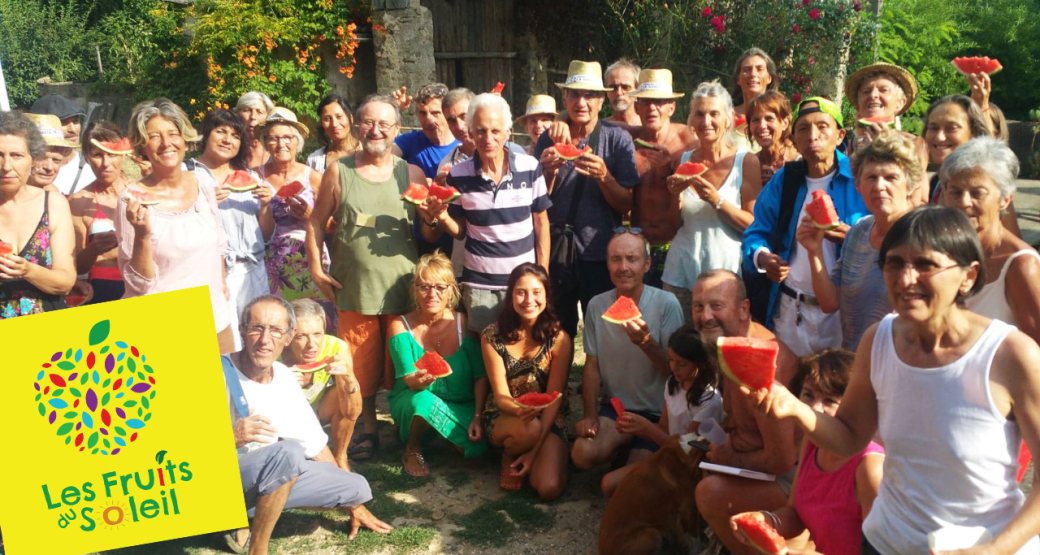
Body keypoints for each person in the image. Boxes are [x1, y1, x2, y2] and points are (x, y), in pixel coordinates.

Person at [747, 206, 1040, 555]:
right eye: (895, 263)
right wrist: (795, 409)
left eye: (925, 265)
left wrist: (995, 549)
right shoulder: (879, 339)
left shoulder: (1011, 355)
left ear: (968, 275)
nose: (905, 279)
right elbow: (850, 438)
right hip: (885, 542)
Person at [307, 94, 436, 462]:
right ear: (357, 125)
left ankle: (401, 422)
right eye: (368, 122)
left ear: (397, 130)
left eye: (385, 124)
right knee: (360, 364)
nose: (376, 130)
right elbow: (316, 223)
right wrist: (317, 268)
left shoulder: (410, 174)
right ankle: (367, 427)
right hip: (355, 288)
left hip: (403, 288)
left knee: (401, 362)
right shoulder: (339, 171)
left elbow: (426, 234)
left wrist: (432, 217)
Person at [223, 295, 391, 555]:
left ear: (287, 338)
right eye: (257, 328)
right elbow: (177, 446)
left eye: (276, 330)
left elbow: (314, 445)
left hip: (269, 476)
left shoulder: (284, 379)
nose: (265, 340)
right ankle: (258, 549)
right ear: (242, 330)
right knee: (287, 454)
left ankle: (245, 515)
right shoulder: (217, 373)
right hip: (223, 477)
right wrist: (230, 437)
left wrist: (355, 505)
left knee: (355, 487)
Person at [742, 97, 869, 356]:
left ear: (840, 134)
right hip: (790, 308)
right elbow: (756, 232)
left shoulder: (861, 178)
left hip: (844, 315)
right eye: (803, 129)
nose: (813, 135)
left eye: (822, 126)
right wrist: (763, 258)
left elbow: (883, 239)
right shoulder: (785, 179)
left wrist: (853, 237)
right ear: (794, 139)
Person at [729, 349, 884, 555]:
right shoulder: (812, 444)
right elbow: (795, 515)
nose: (814, 409)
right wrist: (765, 520)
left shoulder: (870, 469)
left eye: (829, 401)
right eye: (808, 395)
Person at [689, 269, 799, 555]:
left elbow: (783, 460)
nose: (705, 316)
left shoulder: (765, 366)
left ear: (743, 308)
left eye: (716, 305)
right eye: (698, 307)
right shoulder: (731, 348)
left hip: (792, 481)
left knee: (708, 494)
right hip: (756, 463)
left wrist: (731, 457)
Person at [116, 98, 234, 353]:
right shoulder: (130, 199)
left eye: (173, 134)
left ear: (185, 139)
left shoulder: (203, 183)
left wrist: (221, 280)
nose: (166, 143)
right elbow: (137, 284)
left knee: (226, 391)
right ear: (142, 146)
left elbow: (219, 243)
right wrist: (142, 236)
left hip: (216, 319)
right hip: (164, 328)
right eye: (155, 136)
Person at [425, 93, 551, 333]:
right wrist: (442, 217)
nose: (488, 138)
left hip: (523, 283)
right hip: (479, 285)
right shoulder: (458, 175)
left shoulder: (530, 167)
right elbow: (460, 231)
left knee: (525, 348)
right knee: (483, 352)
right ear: (471, 132)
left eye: (495, 131)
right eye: (481, 131)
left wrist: (541, 275)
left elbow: (541, 224)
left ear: (507, 132)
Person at [533, 60, 640, 337]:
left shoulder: (617, 139)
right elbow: (536, 202)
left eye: (590, 95)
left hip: (600, 252)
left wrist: (604, 176)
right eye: (575, 94)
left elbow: (626, 204)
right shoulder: (547, 140)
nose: (582, 102)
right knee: (558, 329)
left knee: (605, 330)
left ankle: (601, 381)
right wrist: (547, 172)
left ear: (602, 99)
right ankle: (560, 381)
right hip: (557, 251)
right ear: (564, 97)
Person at [797, 130, 923, 350]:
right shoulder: (859, 231)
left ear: (911, 185)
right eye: (871, 177)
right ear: (859, 186)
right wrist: (813, 250)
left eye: (891, 177)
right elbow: (829, 302)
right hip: (856, 365)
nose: (879, 186)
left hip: (902, 366)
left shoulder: (923, 237)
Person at [571, 231, 685, 472]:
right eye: (616, 259)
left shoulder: (667, 304)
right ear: (608, 264)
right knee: (581, 454)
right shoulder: (596, 305)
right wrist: (590, 415)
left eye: (632, 259)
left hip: (657, 415)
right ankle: (623, 447)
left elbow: (676, 370)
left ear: (647, 264)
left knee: (630, 483)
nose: (623, 267)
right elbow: (591, 366)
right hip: (616, 410)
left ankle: (632, 452)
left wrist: (646, 343)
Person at [662, 81, 762, 322]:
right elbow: (673, 226)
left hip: (727, 275)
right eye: (699, 114)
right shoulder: (682, 160)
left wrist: (717, 200)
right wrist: (674, 194)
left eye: (714, 114)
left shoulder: (746, 161)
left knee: (721, 348)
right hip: (681, 273)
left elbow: (753, 225)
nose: (706, 121)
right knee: (683, 348)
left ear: (728, 119)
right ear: (692, 121)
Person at [387, 252, 488, 477]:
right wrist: (419, 381)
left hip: (460, 405)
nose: (432, 294)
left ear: (451, 290)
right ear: (415, 290)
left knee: (477, 449)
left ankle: (437, 434)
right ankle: (413, 448)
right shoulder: (399, 325)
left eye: (440, 287)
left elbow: (480, 376)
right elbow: (409, 380)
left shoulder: (466, 324)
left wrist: (478, 416)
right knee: (422, 401)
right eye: (424, 287)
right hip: (413, 398)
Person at [481, 263, 572, 498]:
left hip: (549, 417)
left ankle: (531, 450)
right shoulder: (491, 335)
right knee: (528, 429)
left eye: (536, 292)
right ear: (510, 295)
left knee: (549, 488)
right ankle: (508, 455)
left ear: (546, 296)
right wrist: (520, 411)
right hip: (505, 414)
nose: (528, 299)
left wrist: (536, 451)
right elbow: (500, 396)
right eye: (521, 292)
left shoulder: (560, 339)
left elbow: (553, 399)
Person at [600, 323, 722, 496]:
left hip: (690, 466)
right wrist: (634, 426)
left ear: (701, 365)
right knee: (608, 483)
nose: (674, 367)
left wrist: (647, 428)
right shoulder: (674, 384)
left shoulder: (710, 400)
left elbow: (686, 451)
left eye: (682, 363)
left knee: (632, 493)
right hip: (668, 454)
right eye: (671, 359)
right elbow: (664, 427)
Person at [939, 137, 1040, 344]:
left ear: (1005, 199)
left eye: (977, 193)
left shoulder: (1021, 266)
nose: (964, 202)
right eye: (955, 192)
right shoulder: (939, 253)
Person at [191, 109, 275, 349]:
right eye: (221, 131)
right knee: (223, 344)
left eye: (236, 135)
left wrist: (266, 205)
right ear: (206, 134)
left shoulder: (249, 176)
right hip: (213, 272)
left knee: (258, 339)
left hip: (253, 269)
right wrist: (205, 206)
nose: (228, 139)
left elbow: (266, 235)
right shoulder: (188, 175)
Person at [255, 107, 336, 334]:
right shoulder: (254, 176)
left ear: (297, 141)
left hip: (311, 261)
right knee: (278, 325)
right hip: (272, 265)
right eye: (274, 138)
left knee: (315, 322)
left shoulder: (313, 177)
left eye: (288, 137)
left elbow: (332, 226)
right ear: (265, 143)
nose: (282, 144)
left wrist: (311, 215)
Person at [0, 110, 76, 318]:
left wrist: (27, 270)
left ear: (32, 159)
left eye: (17, 156)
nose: (6, 166)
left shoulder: (53, 204)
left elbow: (66, 282)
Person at [627, 68, 698, 288]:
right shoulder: (627, 137)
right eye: (646, 102)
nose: (652, 108)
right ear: (636, 107)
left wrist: (670, 171)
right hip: (639, 247)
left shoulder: (689, 140)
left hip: (676, 244)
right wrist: (561, 118)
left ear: (671, 106)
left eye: (659, 101)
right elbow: (594, 126)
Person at [283, 298, 360, 471]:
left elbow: (353, 411)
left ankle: (340, 456)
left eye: (317, 334)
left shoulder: (336, 347)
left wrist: (349, 378)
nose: (312, 345)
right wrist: (281, 383)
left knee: (343, 392)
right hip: (285, 418)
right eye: (301, 336)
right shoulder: (275, 353)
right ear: (289, 336)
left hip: (318, 408)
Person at [392, 82, 458, 257]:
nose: (428, 119)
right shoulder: (409, 141)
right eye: (423, 113)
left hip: (458, 237)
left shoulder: (464, 144)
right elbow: (381, 156)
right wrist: (392, 112)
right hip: (419, 238)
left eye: (435, 113)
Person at [68, 121, 128, 305]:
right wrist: (94, 249)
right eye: (97, 155)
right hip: (102, 290)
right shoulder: (78, 202)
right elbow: (75, 267)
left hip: (145, 285)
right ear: (86, 157)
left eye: (112, 154)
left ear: (123, 154)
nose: (106, 163)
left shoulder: (142, 193)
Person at [923, 95, 991, 202]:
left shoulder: (986, 185)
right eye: (933, 128)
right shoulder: (936, 181)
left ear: (975, 134)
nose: (939, 137)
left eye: (952, 128)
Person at [842, 62, 918, 154]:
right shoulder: (847, 148)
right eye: (866, 91)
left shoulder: (915, 145)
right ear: (858, 103)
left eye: (884, 90)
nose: (873, 95)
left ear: (900, 103)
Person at [30, 93, 96, 195]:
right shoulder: (20, 174)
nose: (73, 130)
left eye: (76, 121)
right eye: (63, 123)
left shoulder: (92, 166)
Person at [748, 91, 800, 186]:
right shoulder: (748, 164)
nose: (762, 126)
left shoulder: (799, 161)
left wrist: (778, 181)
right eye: (756, 120)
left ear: (785, 123)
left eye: (769, 118)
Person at [307, 94, 360, 173]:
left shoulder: (368, 152)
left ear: (350, 118)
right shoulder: (315, 161)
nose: (334, 124)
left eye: (339, 117)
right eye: (327, 119)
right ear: (321, 123)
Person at [24, 113, 73, 195]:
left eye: (56, 160)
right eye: (41, 157)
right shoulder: (5, 195)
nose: (49, 167)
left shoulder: (54, 196)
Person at [732, 47, 780, 117]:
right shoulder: (726, 117)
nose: (753, 74)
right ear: (738, 79)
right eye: (746, 70)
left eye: (759, 69)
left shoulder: (779, 116)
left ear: (769, 78)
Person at [235, 91, 275, 170]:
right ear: (238, 113)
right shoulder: (231, 147)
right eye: (247, 110)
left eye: (259, 112)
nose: (253, 116)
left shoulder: (275, 148)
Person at [604, 58, 641, 127]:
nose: (619, 93)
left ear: (637, 91)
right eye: (613, 87)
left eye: (625, 87)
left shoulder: (647, 128)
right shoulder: (599, 129)